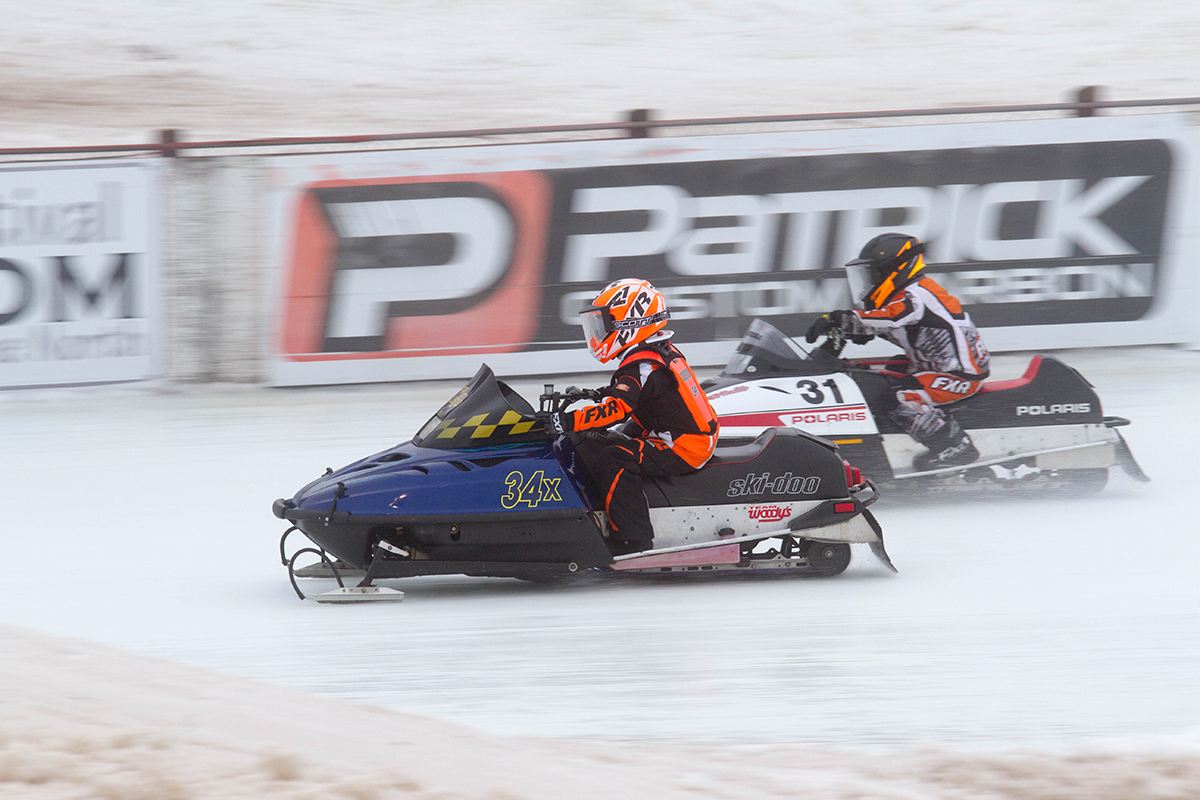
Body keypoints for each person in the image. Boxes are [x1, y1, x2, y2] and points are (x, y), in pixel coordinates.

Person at [543, 278, 719, 555]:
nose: (597, 334)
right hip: (679, 431)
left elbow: (618, 408)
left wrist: (566, 422)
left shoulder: (643, 364)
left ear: (630, 324)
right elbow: (632, 393)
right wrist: (591, 394)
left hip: (684, 445)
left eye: (603, 325)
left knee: (615, 457)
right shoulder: (652, 354)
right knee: (611, 438)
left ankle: (632, 538)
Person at [806, 233, 990, 471]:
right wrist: (856, 331)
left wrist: (840, 319)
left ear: (894, 270)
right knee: (868, 374)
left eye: (873, 274)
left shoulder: (917, 294)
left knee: (898, 397)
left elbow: (893, 317)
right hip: (932, 364)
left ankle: (955, 448)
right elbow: (899, 324)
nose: (868, 282)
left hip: (959, 376)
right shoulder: (909, 294)